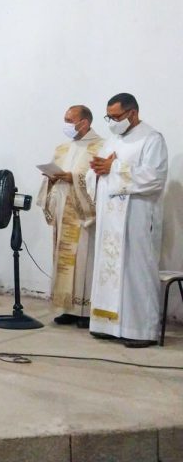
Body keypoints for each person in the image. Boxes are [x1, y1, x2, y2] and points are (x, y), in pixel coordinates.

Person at [88, 93, 168, 348]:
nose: (111, 122)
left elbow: (154, 177)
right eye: (108, 117)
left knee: (136, 269)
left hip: (136, 216)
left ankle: (140, 329)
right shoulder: (112, 139)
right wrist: (98, 171)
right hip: (110, 217)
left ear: (132, 113)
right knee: (108, 268)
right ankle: (107, 324)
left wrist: (115, 168)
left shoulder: (152, 138)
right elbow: (97, 173)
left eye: (116, 116)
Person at [36, 105, 104, 328]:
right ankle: (68, 309)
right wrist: (53, 177)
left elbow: (97, 180)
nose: (65, 124)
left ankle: (85, 310)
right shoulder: (63, 148)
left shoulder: (100, 147)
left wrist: (72, 177)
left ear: (84, 123)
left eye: (69, 119)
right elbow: (55, 176)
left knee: (84, 261)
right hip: (62, 209)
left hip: (83, 215)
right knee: (63, 261)